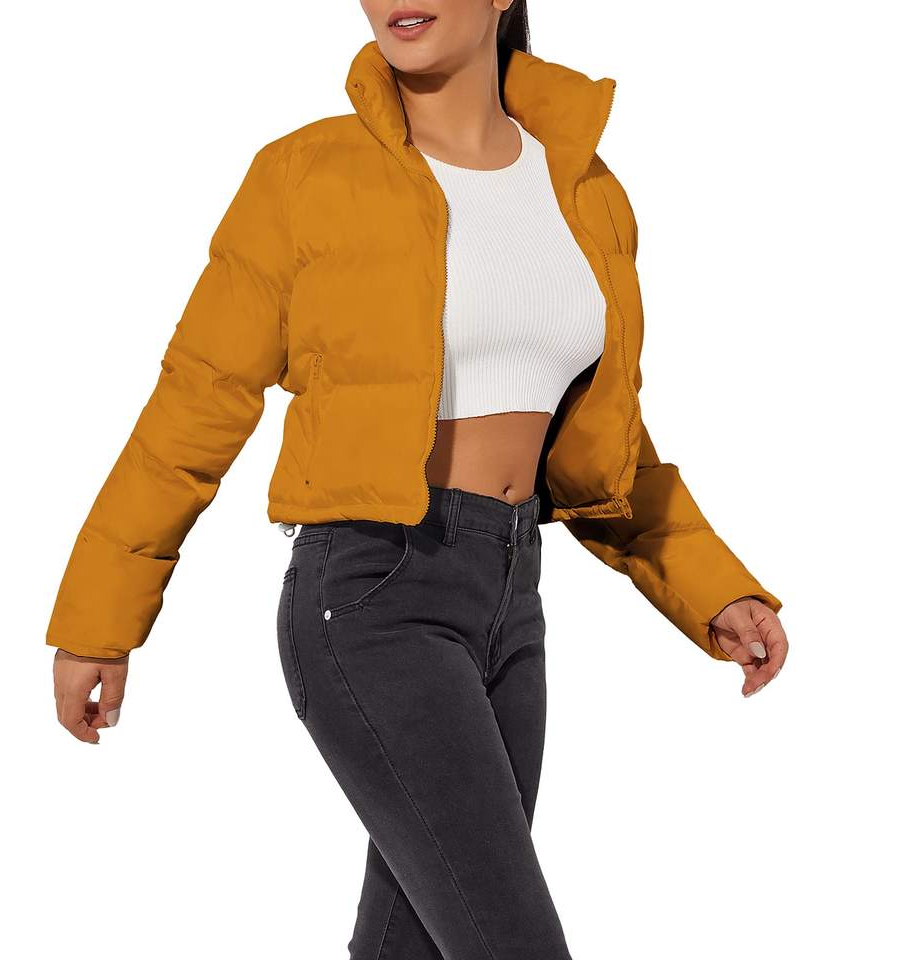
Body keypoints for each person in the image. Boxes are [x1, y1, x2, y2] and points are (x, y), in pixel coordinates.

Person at [47, 2, 789, 957]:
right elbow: (196, 403)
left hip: (511, 603)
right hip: (373, 594)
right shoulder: (306, 173)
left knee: (417, 945)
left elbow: (603, 443)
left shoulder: (585, 189)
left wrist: (712, 587)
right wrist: (98, 621)